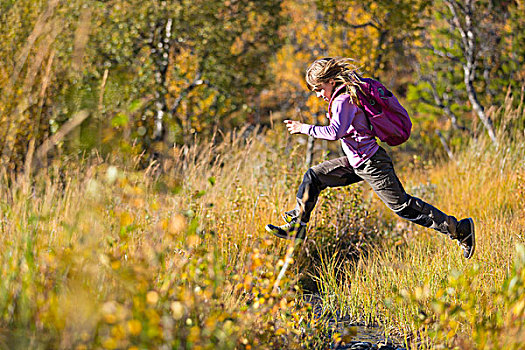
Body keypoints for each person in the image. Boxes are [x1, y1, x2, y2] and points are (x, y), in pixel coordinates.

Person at [265, 57, 476, 259]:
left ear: (330, 81)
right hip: (354, 162)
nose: (319, 95)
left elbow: (334, 132)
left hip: (372, 163)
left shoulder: (342, 99)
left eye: (320, 89)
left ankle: (459, 229)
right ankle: (298, 225)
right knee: (314, 176)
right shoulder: (345, 95)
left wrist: (303, 128)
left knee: (403, 206)